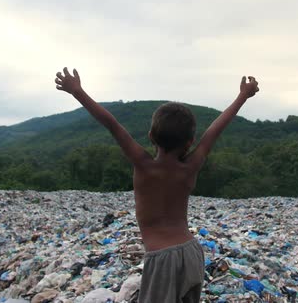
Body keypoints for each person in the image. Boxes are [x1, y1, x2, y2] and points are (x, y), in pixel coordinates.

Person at [54, 67, 259, 303]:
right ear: (190, 141)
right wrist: (243, 96)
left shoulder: (143, 165)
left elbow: (112, 125)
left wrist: (77, 91)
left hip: (162, 259)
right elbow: (215, 130)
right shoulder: (190, 166)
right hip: (192, 253)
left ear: (151, 136)